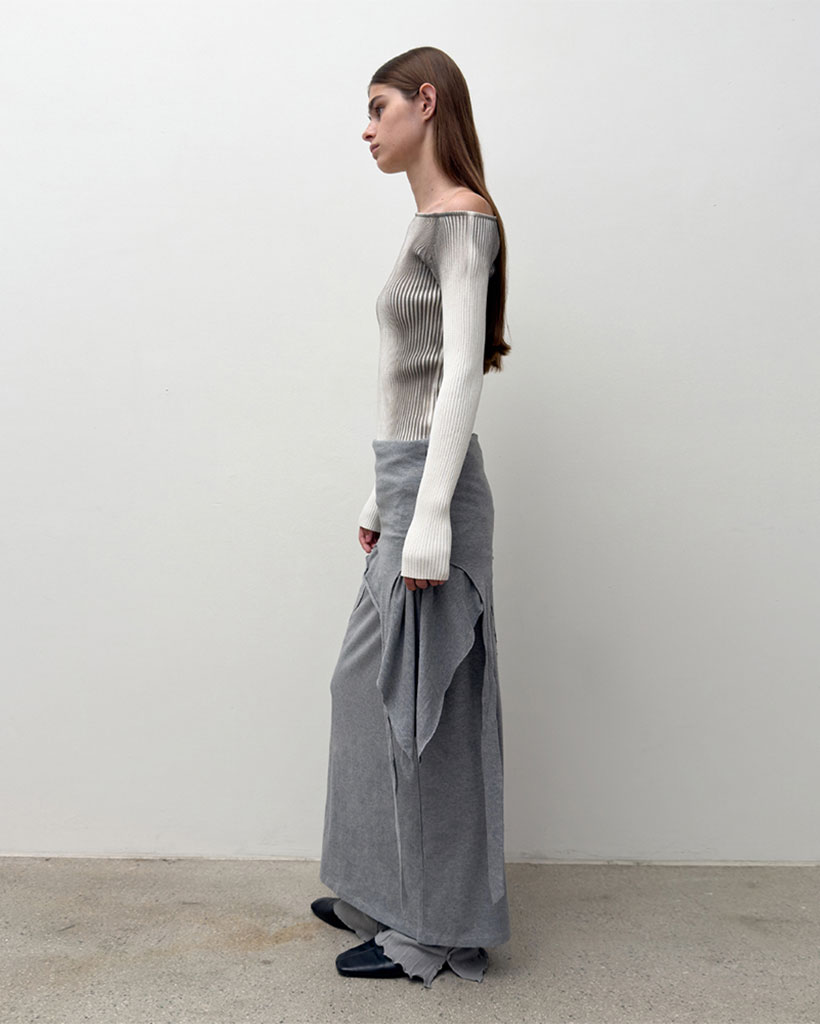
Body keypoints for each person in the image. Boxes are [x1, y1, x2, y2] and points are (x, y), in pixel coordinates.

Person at [313, 45, 512, 989]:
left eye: (378, 106)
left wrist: (430, 515)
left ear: (425, 103)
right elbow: (414, 375)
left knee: (424, 720)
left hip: (434, 495)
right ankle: (384, 886)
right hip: (402, 484)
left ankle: (439, 929)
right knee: (365, 692)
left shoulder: (464, 220)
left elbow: (464, 371)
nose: (366, 127)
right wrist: (380, 495)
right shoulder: (425, 225)